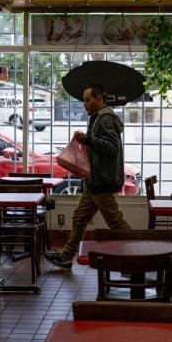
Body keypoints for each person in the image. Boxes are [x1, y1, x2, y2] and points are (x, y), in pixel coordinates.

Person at [44, 83, 130, 270]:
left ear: (99, 99)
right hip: (95, 181)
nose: (85, 104)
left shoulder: (105, 119)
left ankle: (138, 258)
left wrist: (88, 140)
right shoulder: (99, 118)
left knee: (116, 222)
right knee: (80, 218)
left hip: (102, 181)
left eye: (88, 100)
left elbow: (112, 148)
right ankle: (66, 257)